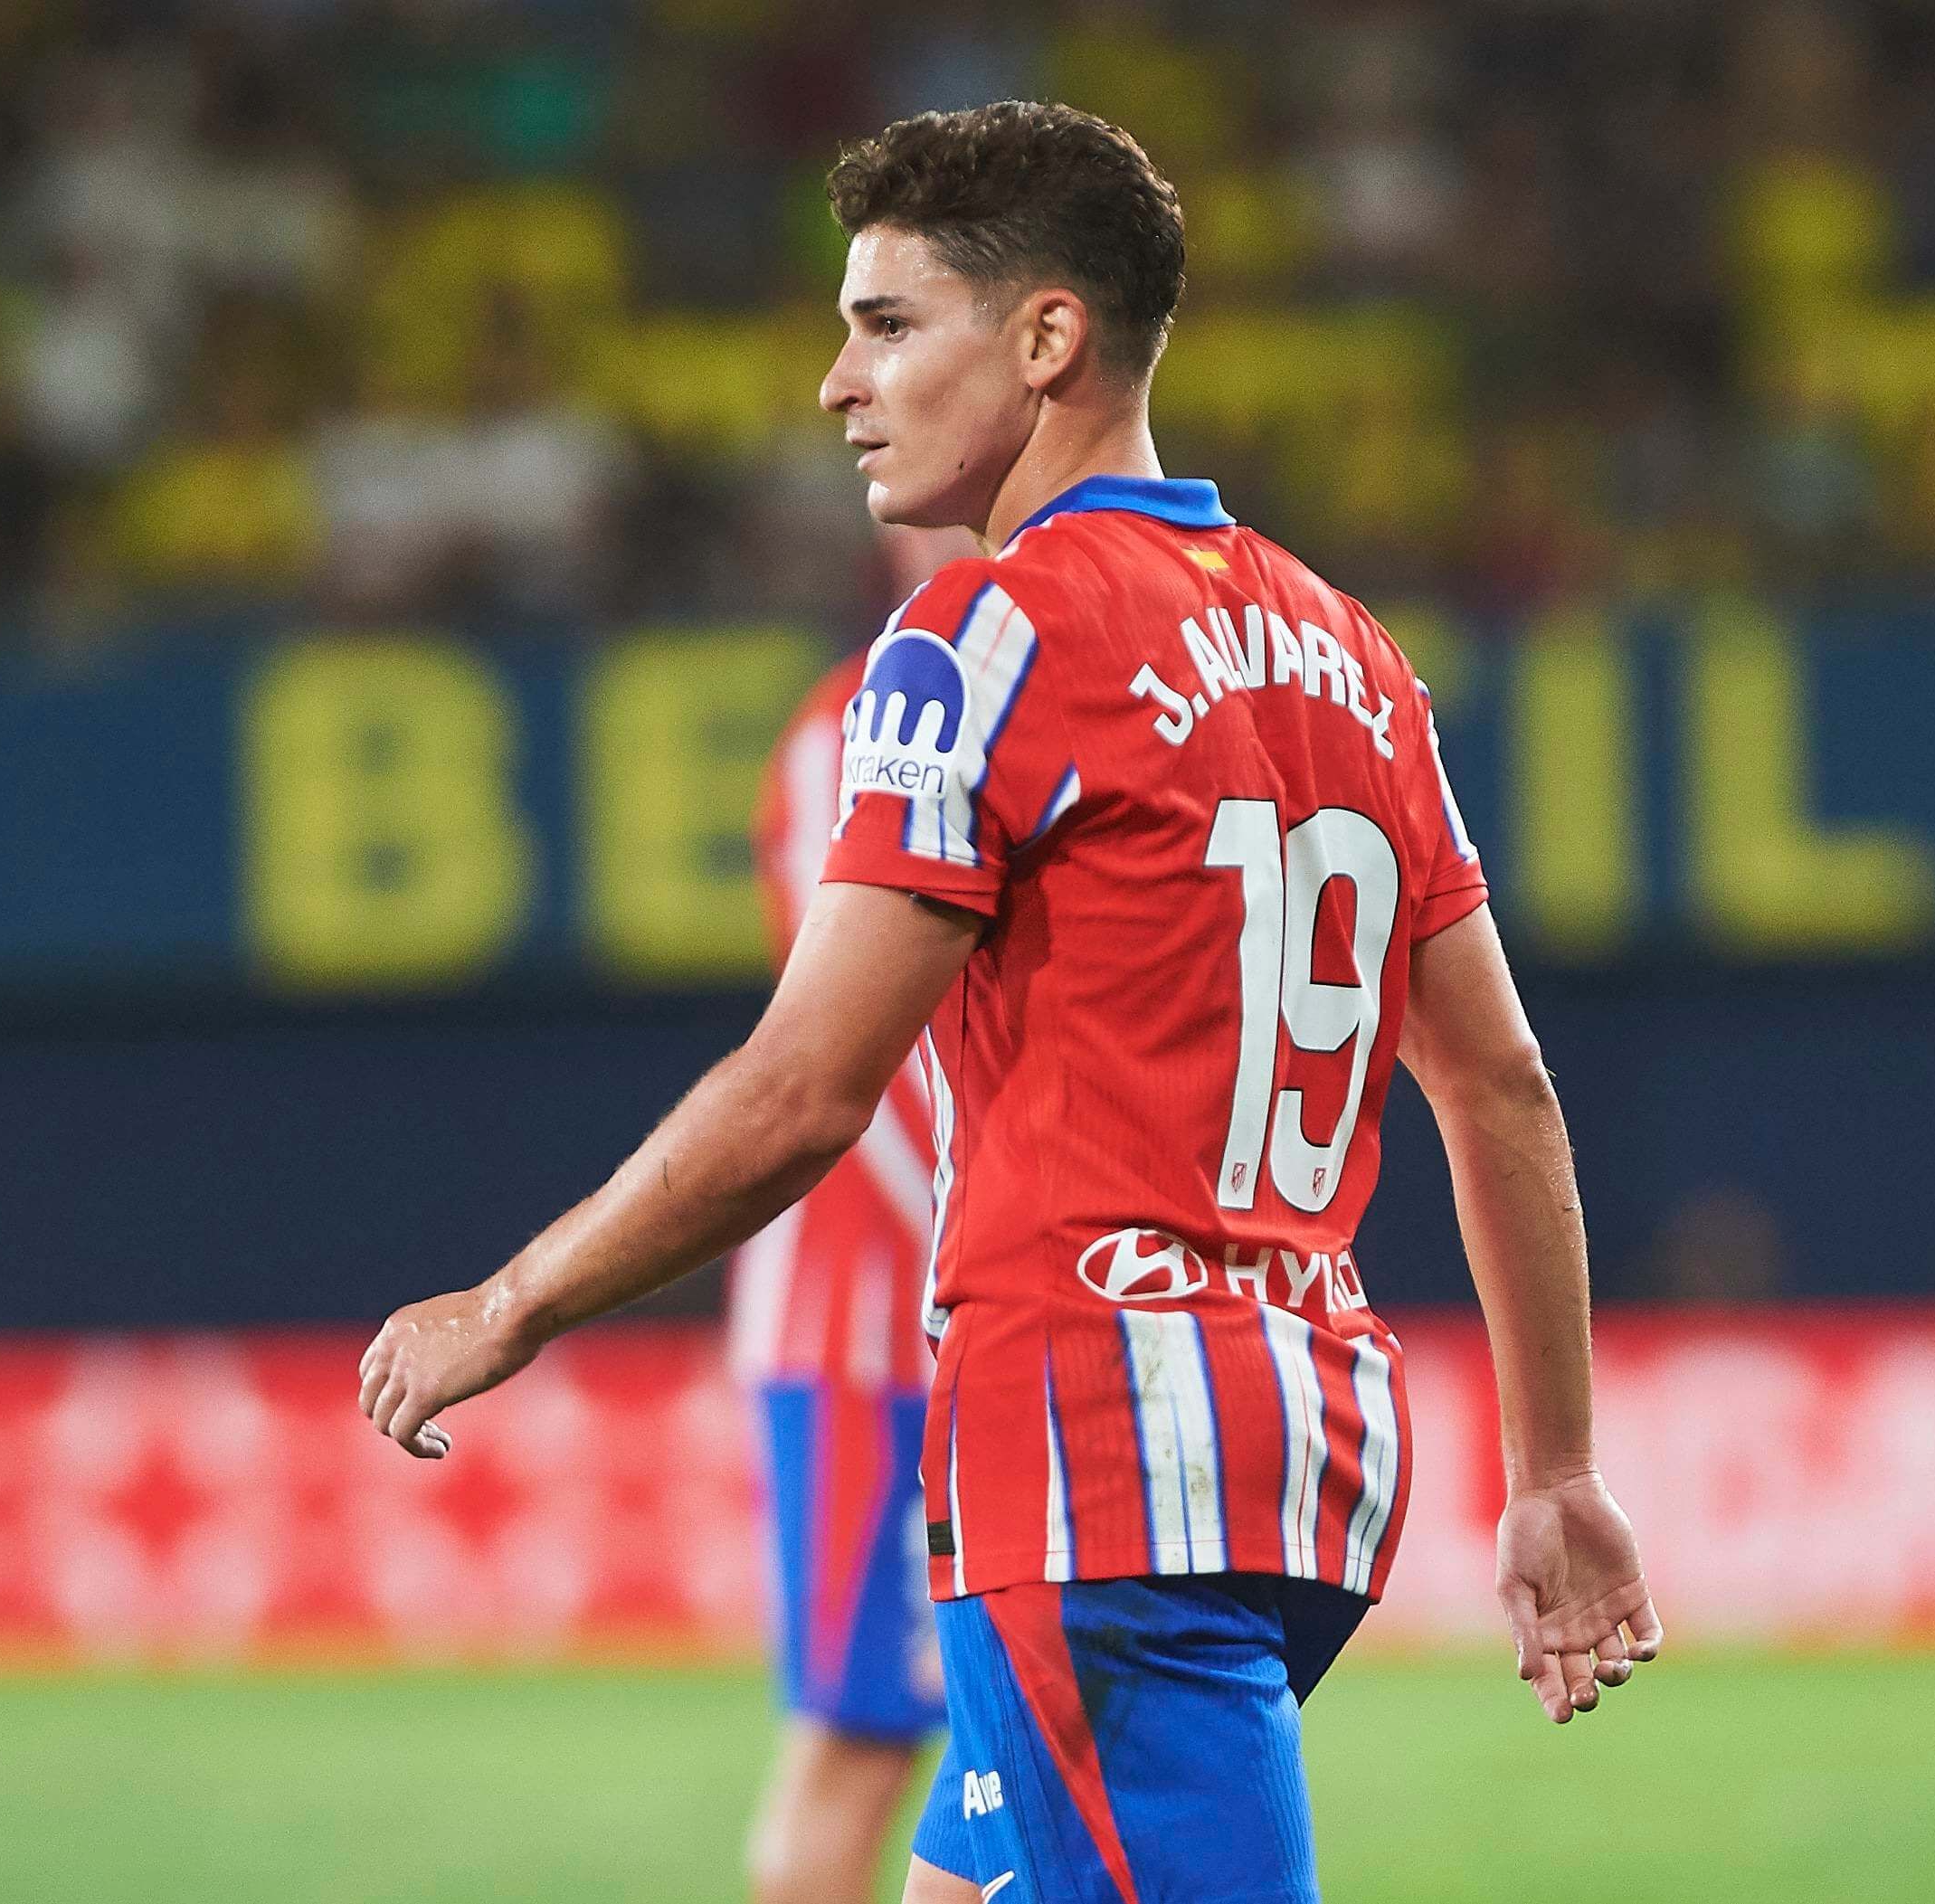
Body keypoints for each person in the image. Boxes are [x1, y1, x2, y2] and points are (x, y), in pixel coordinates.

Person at [362, 101, 1663, 1902]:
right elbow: (1499, 1083)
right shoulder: (1356, 653)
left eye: (888, 325)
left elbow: (805, 1090)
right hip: (1307, 1445)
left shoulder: (983, 636)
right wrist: (1555, 1465)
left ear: (1046, 338)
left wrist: (513, 1302)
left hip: (1096, 1460)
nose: (836, 383)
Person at [734, 631, 950, 1904]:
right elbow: (836, 1064)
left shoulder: (1001, 688)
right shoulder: (863, 725)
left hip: (943, 1320)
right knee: (861, 1743)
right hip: (873, 1333)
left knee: (982, 1743)